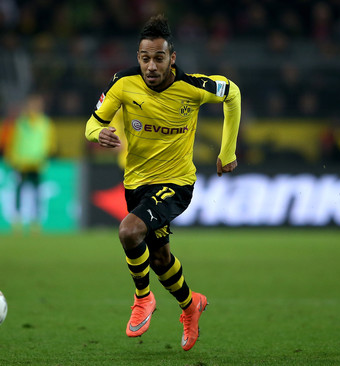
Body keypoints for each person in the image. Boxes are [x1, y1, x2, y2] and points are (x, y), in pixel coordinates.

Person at [85, 14, 241, 351]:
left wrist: (227, 151)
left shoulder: (195, 87)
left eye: (158, 58)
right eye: (145, 58)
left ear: (172, 58)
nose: (151, 66)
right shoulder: (122, 83)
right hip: (137, 184)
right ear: (137, 58)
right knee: (159, 259)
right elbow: (91, 125)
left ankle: (143, 298)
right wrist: (101, 134)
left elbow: (234, 94)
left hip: (177, 183)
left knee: (129, 231)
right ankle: (191, 305)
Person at [3, 94, 56, 232]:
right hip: (21, 164)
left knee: (36, 193)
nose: (34, 108)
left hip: (37, 164)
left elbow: (49, 144)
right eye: (32, 105)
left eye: (36, 105)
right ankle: (17, 220)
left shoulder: (45, 124)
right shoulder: (20, 123)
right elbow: (13, 143)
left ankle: (35, 222)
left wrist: (42, 158)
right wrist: (13, 159)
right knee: (19, 191)